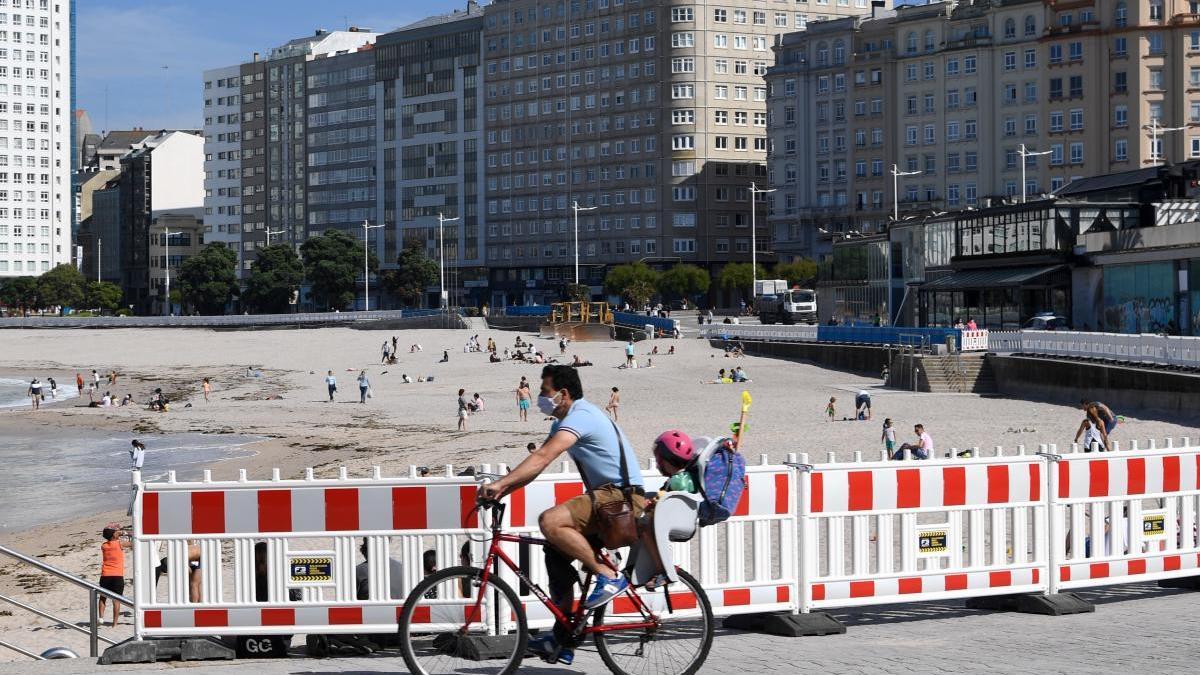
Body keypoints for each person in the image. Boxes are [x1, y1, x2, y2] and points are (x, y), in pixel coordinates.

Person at [479, 365, 645, 664]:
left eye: (545, 392)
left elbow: (544, 456)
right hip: (607, 497)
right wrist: (504, 491)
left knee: (550, 521)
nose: (542, 397)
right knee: (555, 555)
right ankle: (563, 638)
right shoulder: (563, 422)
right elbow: (537, 466)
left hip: (620, 498)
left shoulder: (582, 416)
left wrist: (500, 482)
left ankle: (608, 576)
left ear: (563, 394)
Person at [638, 430, 701, 589]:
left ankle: (661, 570)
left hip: (671, 520)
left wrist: (650, 503)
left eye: (659, 458)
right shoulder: (685, 477)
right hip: (680, 518)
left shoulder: (677, 481)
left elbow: (665, 498)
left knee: (643, 527)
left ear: (667, 459)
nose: (658, 463)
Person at [97, 528, 129, 627]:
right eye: (115, 532)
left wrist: (118, 534)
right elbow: (133, 543)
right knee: (116, 600)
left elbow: (113, 538)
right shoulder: (120, 544)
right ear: (113, 535)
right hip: (117, 575)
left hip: (105, 575)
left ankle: (101, 618)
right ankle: (114, 624)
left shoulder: (104, 546)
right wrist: (123, 533)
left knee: (103, 598)